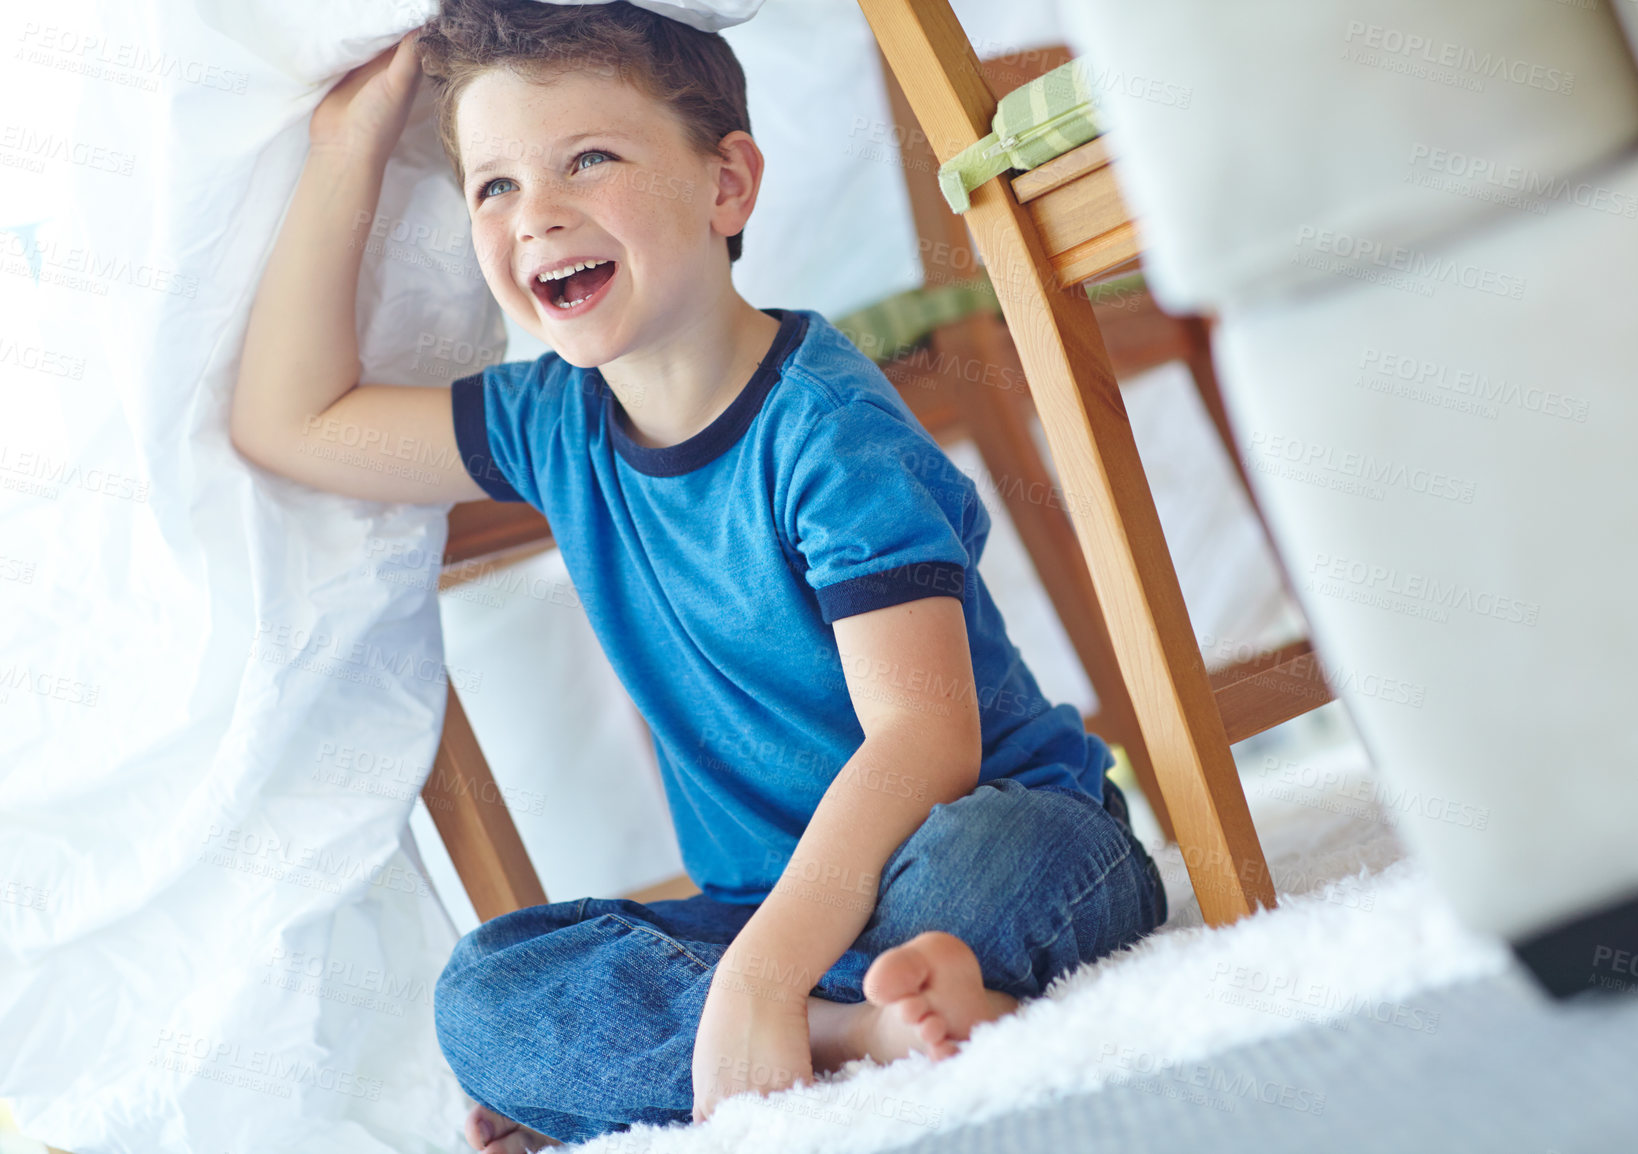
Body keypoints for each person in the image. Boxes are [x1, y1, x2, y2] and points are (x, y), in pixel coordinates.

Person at [228, 2, 1167, 1149]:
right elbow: (290, 420)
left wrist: (760, 972)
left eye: (588, 160)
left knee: (991, 867)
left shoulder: (825, 428)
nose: (540, 215)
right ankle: (845, 1035)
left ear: (727, 185)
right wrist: (343, 147)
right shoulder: (549, 425)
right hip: (761, 910)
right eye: (493, 186)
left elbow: (926, 740)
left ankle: (736, 1029)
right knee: (485, 992)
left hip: (982, 841)